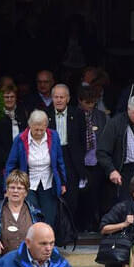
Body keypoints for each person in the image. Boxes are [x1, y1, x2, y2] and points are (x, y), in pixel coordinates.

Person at [5, 110, 67, 228]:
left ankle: (46, 243)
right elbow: (10, 164)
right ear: (30, 126)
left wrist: (63, 182)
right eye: (35, 129)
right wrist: (7, 187)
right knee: (32, 216)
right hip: (28, 183)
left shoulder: (53, 136)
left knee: (49, 217)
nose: (38, 132)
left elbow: (60, 161)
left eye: (41, 130)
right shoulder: (20, 139)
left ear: (46, 127)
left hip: (48, 182)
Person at [0, 222, 76, 267]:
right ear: (28, 243)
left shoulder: (63, 265)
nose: (49, 248)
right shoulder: (6, 264)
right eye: (43, 243)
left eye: (52, 243)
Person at [47, 84, 85, 219]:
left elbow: (83, 141)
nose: (58, 100)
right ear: (52, 98)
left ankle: (70, 230)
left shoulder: (78, 114)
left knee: (72, 197)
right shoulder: (46, 114)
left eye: (62, 97)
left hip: (71, 158)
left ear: (68, 99)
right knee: (53, 195)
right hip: (51, 157)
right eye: (56, 97)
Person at [75, 85, 107, 231]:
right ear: (79, 101)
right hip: (80, 162)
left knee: (96, 194)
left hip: (96, 161)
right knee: (81, 196)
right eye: (86, 102)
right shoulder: (74, 114)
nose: (90, 106)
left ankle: (93, 223)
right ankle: (80, 224)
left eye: (92, 102)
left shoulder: (100, 116)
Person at [0, 82, 27, 201]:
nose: (9, 99)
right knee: (2, 190)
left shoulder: (23, 113)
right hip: (2, 161)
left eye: (12, 97)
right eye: (6, 97)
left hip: (21, 160)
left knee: (20, 190)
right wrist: (3, 158)